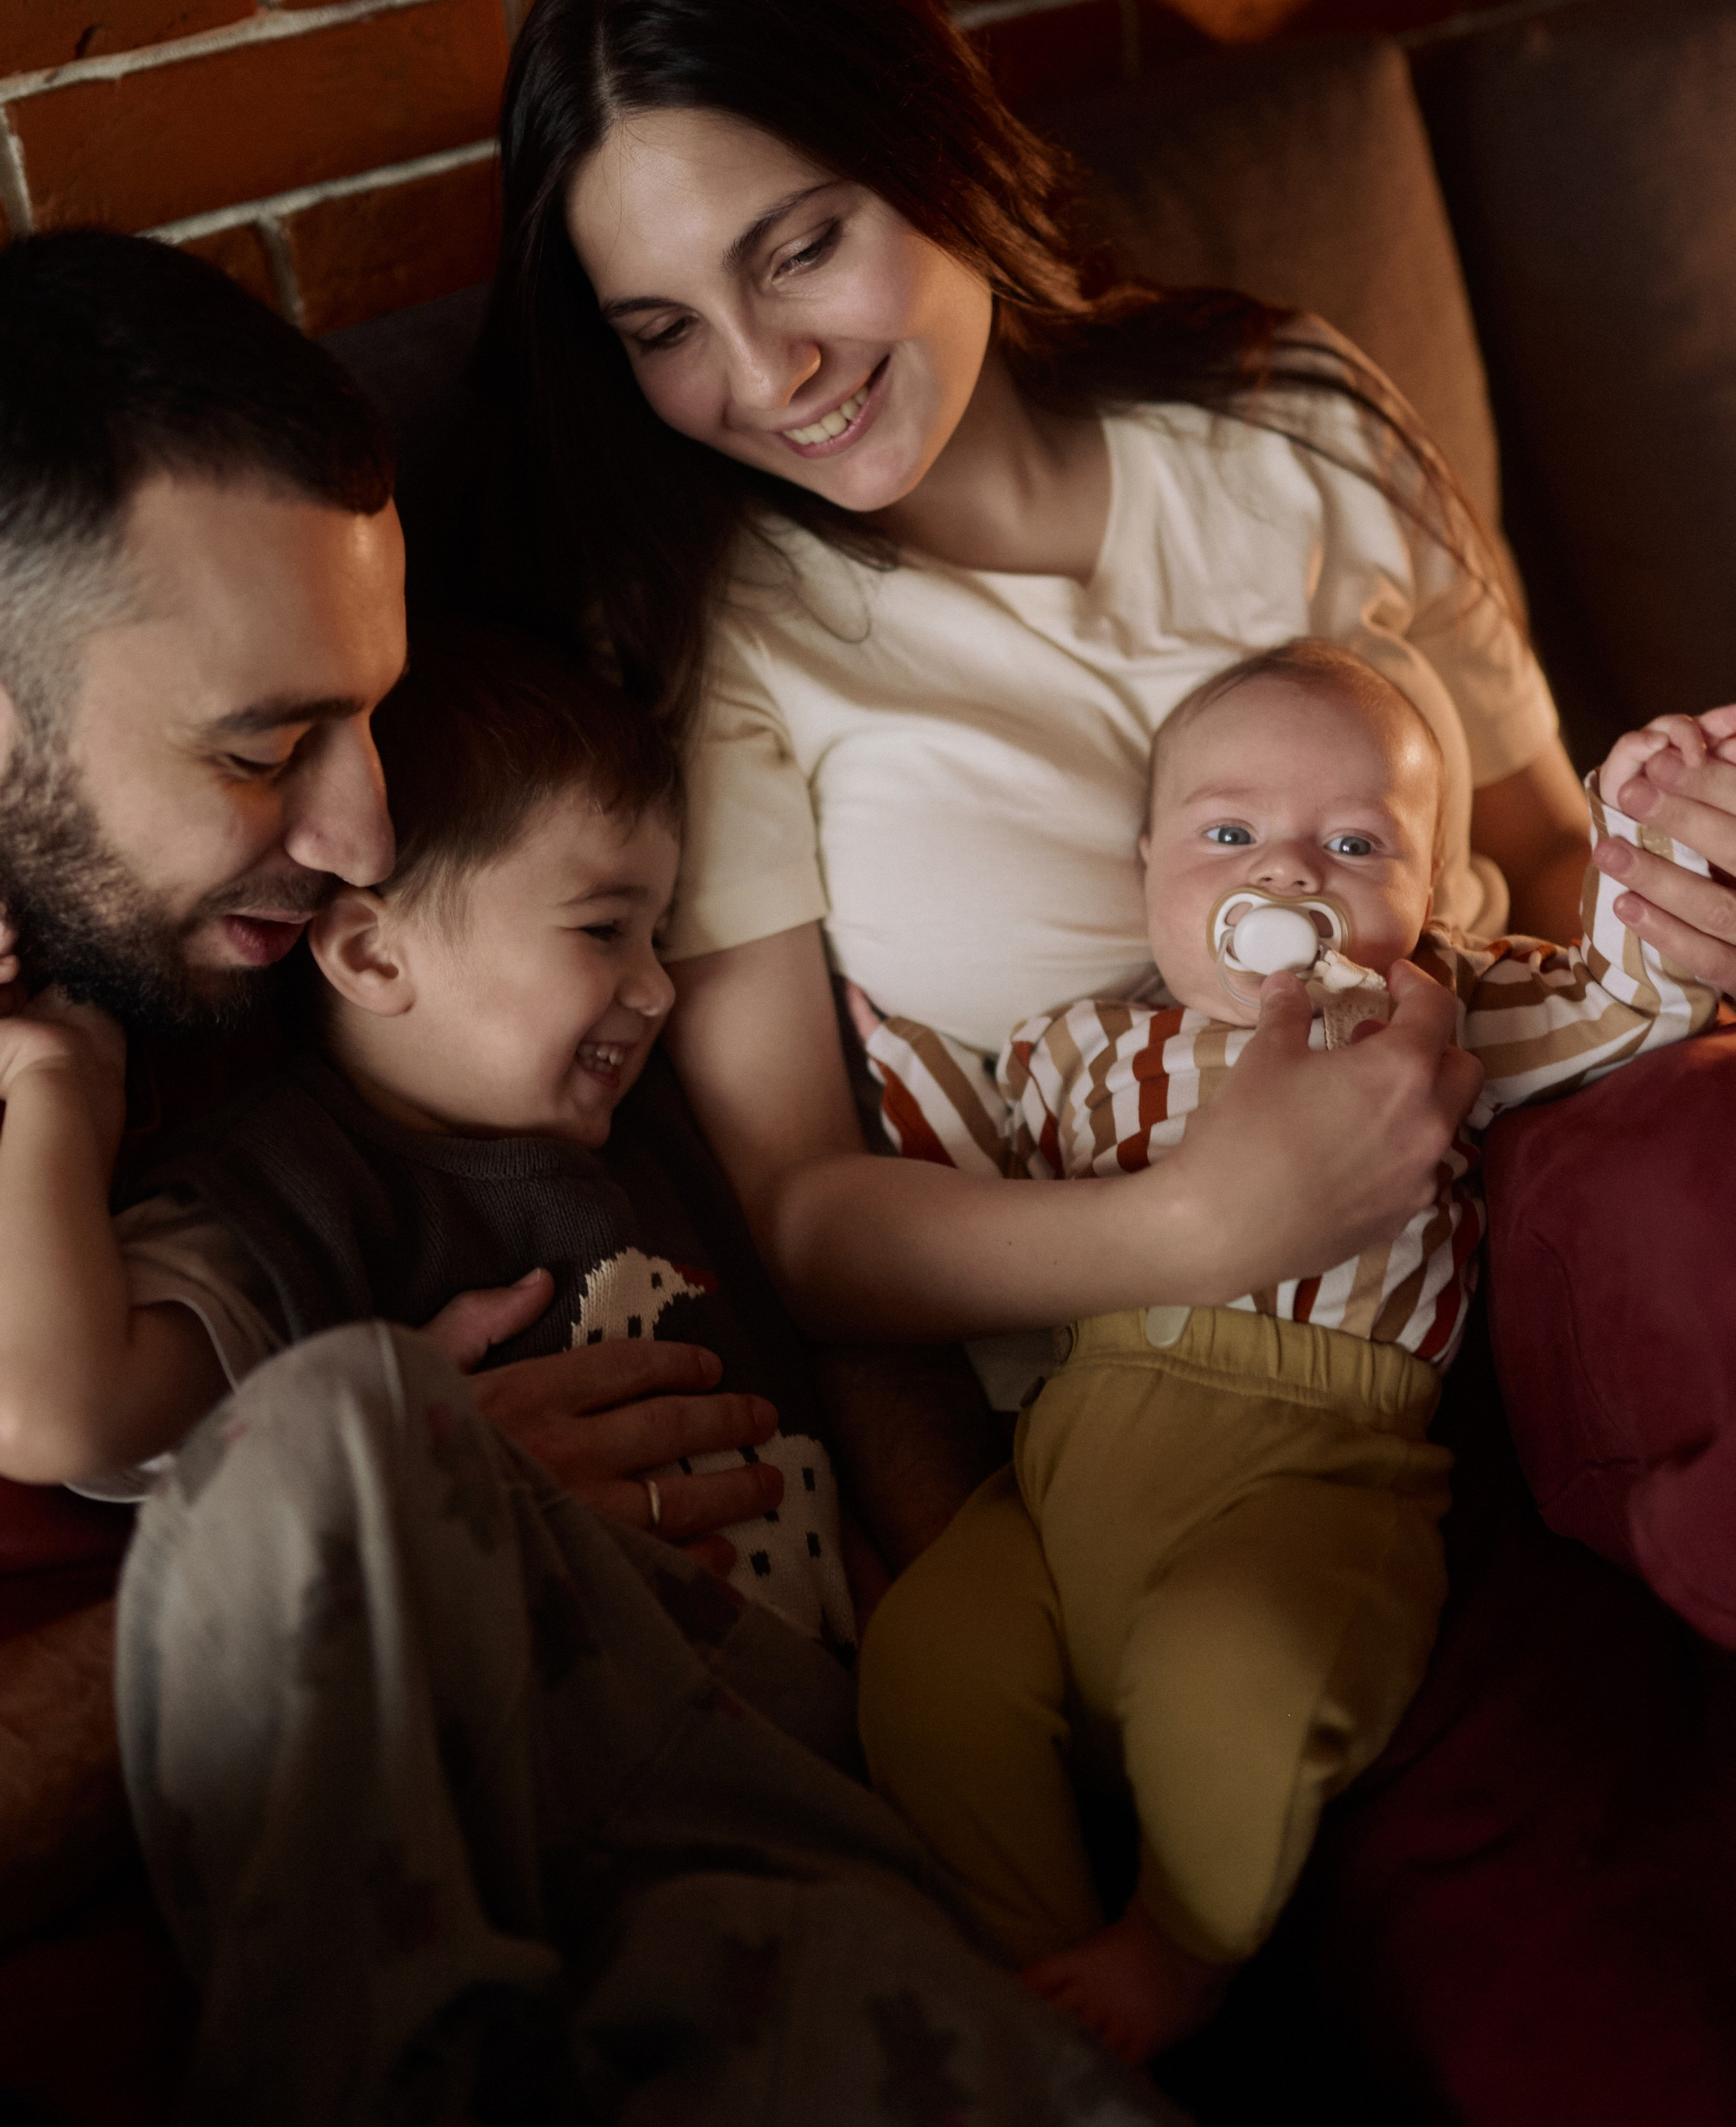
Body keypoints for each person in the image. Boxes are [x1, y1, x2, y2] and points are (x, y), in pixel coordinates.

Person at [0, 231, 1182, 2127]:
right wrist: (425, 1522)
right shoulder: (160, 1076)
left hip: (733, 1805)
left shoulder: (253, 934)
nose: (364, 837)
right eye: (263, 745)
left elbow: (765, 1241)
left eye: (365, 722)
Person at [469, 0, 1736, 1567]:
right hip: (1193, 1389)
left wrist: (1685, 896)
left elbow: (1533, 855)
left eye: (802, 248)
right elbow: (811, 1218)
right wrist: (1197, 1222)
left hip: (1545, 1176)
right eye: (666, 331)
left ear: (931, 149)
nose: (766, 374)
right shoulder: (728, 640)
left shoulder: (1297, 415)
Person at [850, 641, 1719, 2063]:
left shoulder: (1436, 1016)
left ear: (1431, 894)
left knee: (1237, 1661)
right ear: (1144, 871)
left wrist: (1642, 841)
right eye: (1228, 834)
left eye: (1354, 841)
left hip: (1315, 1470)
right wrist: (887, 1046)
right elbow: (962, 1183)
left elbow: (1629, 1001)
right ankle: (1026, 1967)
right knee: (928, 1663)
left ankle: (1179, 1943)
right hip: (1065, 1468)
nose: (1287, 876)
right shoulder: (1073, 1046)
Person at [0, 624, 853, 1646]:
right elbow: (56, 1412)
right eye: (601, 928)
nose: (660, 988)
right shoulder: (299, 1191)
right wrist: (61, 1082)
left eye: (659, 935)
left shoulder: (657, 1137)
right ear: (372, 956)